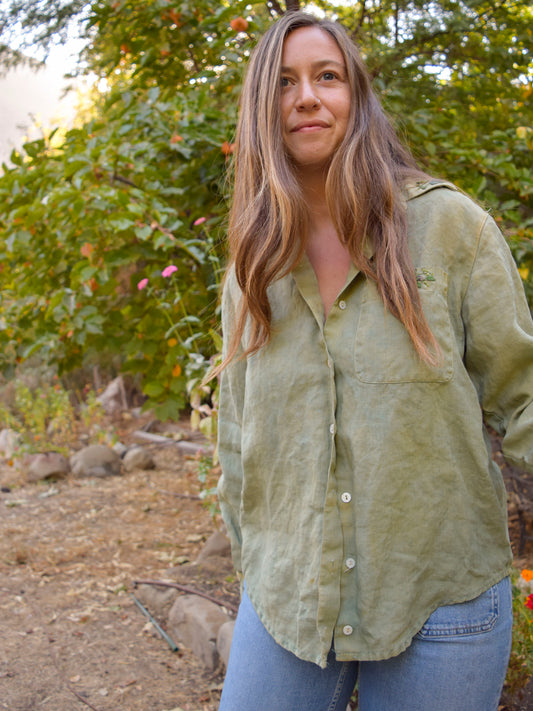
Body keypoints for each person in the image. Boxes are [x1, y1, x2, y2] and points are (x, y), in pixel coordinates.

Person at [215, 10, 531, 711]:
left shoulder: (450, 229)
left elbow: (523, 394)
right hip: (288, 602)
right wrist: (257, 559)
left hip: (438, 594)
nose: (305, 96)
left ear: (355, 96)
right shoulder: (251, 266)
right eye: (285, 82)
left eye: (326, 76)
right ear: (262, 108)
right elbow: (237, 437)